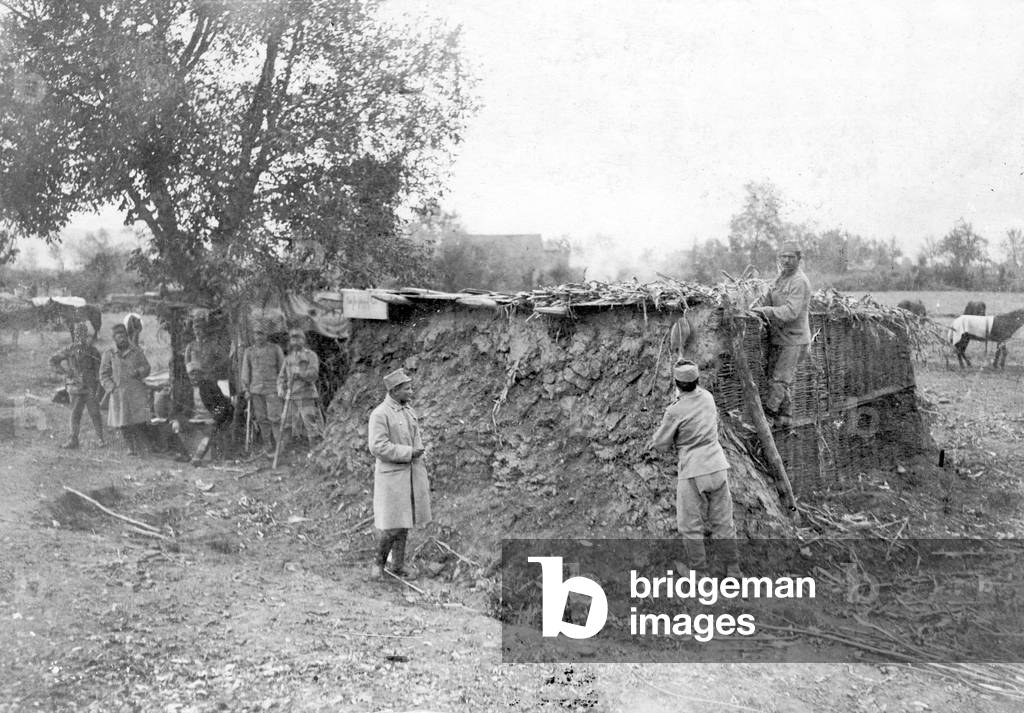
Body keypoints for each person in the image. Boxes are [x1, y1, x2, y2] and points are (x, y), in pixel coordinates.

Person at [648, 360, 741, 579]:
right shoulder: (708, 398)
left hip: (693, 470)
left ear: (676, 384)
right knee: (723, 523)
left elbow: (660, 444)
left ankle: (699, 572)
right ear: (698, 381)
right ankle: (733, 569)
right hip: (718, 466)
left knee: (690, 525)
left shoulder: (675, 410)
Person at [368, 368, 431, 581]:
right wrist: (408, 453)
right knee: (391, 525)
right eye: (407, 388)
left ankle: (397, 565)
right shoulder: (380, 414)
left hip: (411, 474)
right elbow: (378, 446)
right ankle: (378, 565)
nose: (411, 392)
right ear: (394, 391)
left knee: (404, 523)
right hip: (392, 478)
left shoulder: (407, 411)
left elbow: (415, 437)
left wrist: (418, 455)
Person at [751, 241, 812, 425]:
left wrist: (766, 311)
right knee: (774, 378)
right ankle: (785, 417)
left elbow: (791, 312)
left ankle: (767, 417)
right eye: (783, 257)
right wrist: (754, 307)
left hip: (794, 339)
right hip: (779, 338)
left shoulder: (799, 281)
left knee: (780, 379)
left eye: (790, 257)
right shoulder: (780, 278)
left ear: (798, 259)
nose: (786, 261)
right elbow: (767, 297)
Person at [49, 321, 105, 449]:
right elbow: (53, 360)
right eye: (78, 334)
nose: (81, 337)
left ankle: (101, 439)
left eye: (83, 334)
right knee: (75, 415)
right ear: (74, 335)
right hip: (75, 388)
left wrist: (98, 386)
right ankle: (73, 440)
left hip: (90, 388)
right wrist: (64, 372)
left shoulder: (93, 351)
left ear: (86, 335)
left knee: (95, 413)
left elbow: (99, 370)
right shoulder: (69, 350)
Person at [99, 323, 151, 455]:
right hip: (119, 393)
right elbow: (103, 375)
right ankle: (130, 447)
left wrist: (139, 372)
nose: (122, 338)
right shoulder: (109, 354)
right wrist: (111, 388)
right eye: (118, 336)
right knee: (123, 423)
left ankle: (142, 446)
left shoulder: (136, 351)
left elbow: (147, 367)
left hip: (136, 392)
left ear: (127, 336)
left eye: (124, 335)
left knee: (139, 420)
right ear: (114, 338)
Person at [240, 321, 285, 456]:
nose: (259, 337)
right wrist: (246, 389)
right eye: (256, 334)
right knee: (261, 419)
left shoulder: (275, 349)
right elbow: (245, 372)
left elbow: (283, 369)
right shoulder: (249, 352)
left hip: (272, 389)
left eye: (261, 334)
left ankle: (280, 446)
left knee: (275, 418)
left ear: (267, 335)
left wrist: (282, 385)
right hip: (256, 390)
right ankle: (268, 445)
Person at [276, 328, 323, 446]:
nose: (295, 342)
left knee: (310, 424)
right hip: (291, 397)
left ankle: (314, 452)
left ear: (303, 340)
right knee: (286, 424)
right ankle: (284, 453)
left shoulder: (310, 355)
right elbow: (281, 377)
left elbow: (314, 374)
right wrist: (280, 388)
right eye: (293, 339)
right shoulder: (288, 358)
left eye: (298, 339)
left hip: (306, 394)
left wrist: (301, 373)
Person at [185, 360, 234, 466]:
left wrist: (215, 417)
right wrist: (177, 420)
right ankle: (189, 455)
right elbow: (178, 409)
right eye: (191, 374)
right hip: (193, 419)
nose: (194, 377)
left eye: (196, 373)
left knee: (210, 431)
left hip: (209, 418)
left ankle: (197, 457)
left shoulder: (210, 386)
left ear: (201, 374)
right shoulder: (185, 389)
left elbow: (223, 405)